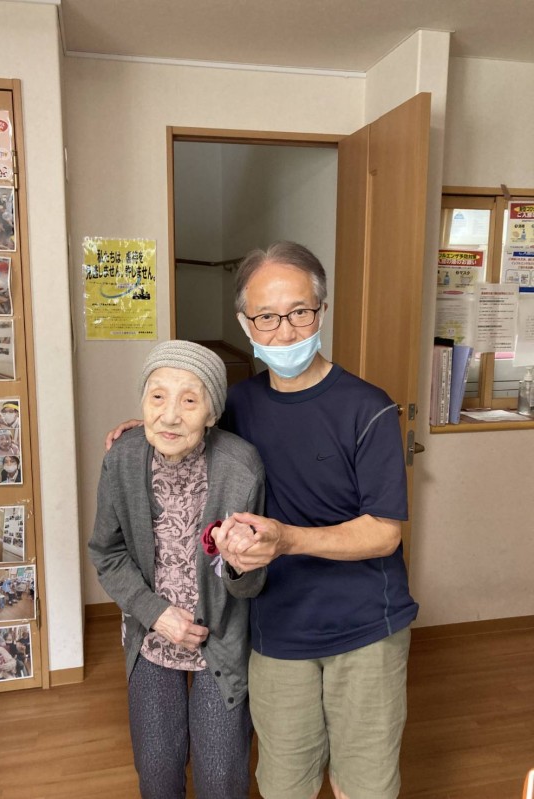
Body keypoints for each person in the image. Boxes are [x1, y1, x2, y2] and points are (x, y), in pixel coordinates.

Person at [107, 242, 418, 799]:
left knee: (364, 786)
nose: (284, 331)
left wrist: (287, 540)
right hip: (273, 627)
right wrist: (151, 426)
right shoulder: (237, 406)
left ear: (321, 311)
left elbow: (384, 532)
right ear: (244, 323)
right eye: (266, 317)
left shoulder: (367, 407)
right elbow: (187, 421)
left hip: (365, 627)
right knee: (282, 784)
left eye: (299, 312)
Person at [90, 340, 266, 799]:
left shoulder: (241, 467)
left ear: (212, 413)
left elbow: (252, 584)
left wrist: (240, 565)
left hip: (220, 640)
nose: (169, 416)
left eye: (189, 400)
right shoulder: (122, 459)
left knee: (221, 777)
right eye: (157, 397)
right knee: (157, 772)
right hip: (150, 635)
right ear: (142, 403)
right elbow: (106, 553)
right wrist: (155, 613)